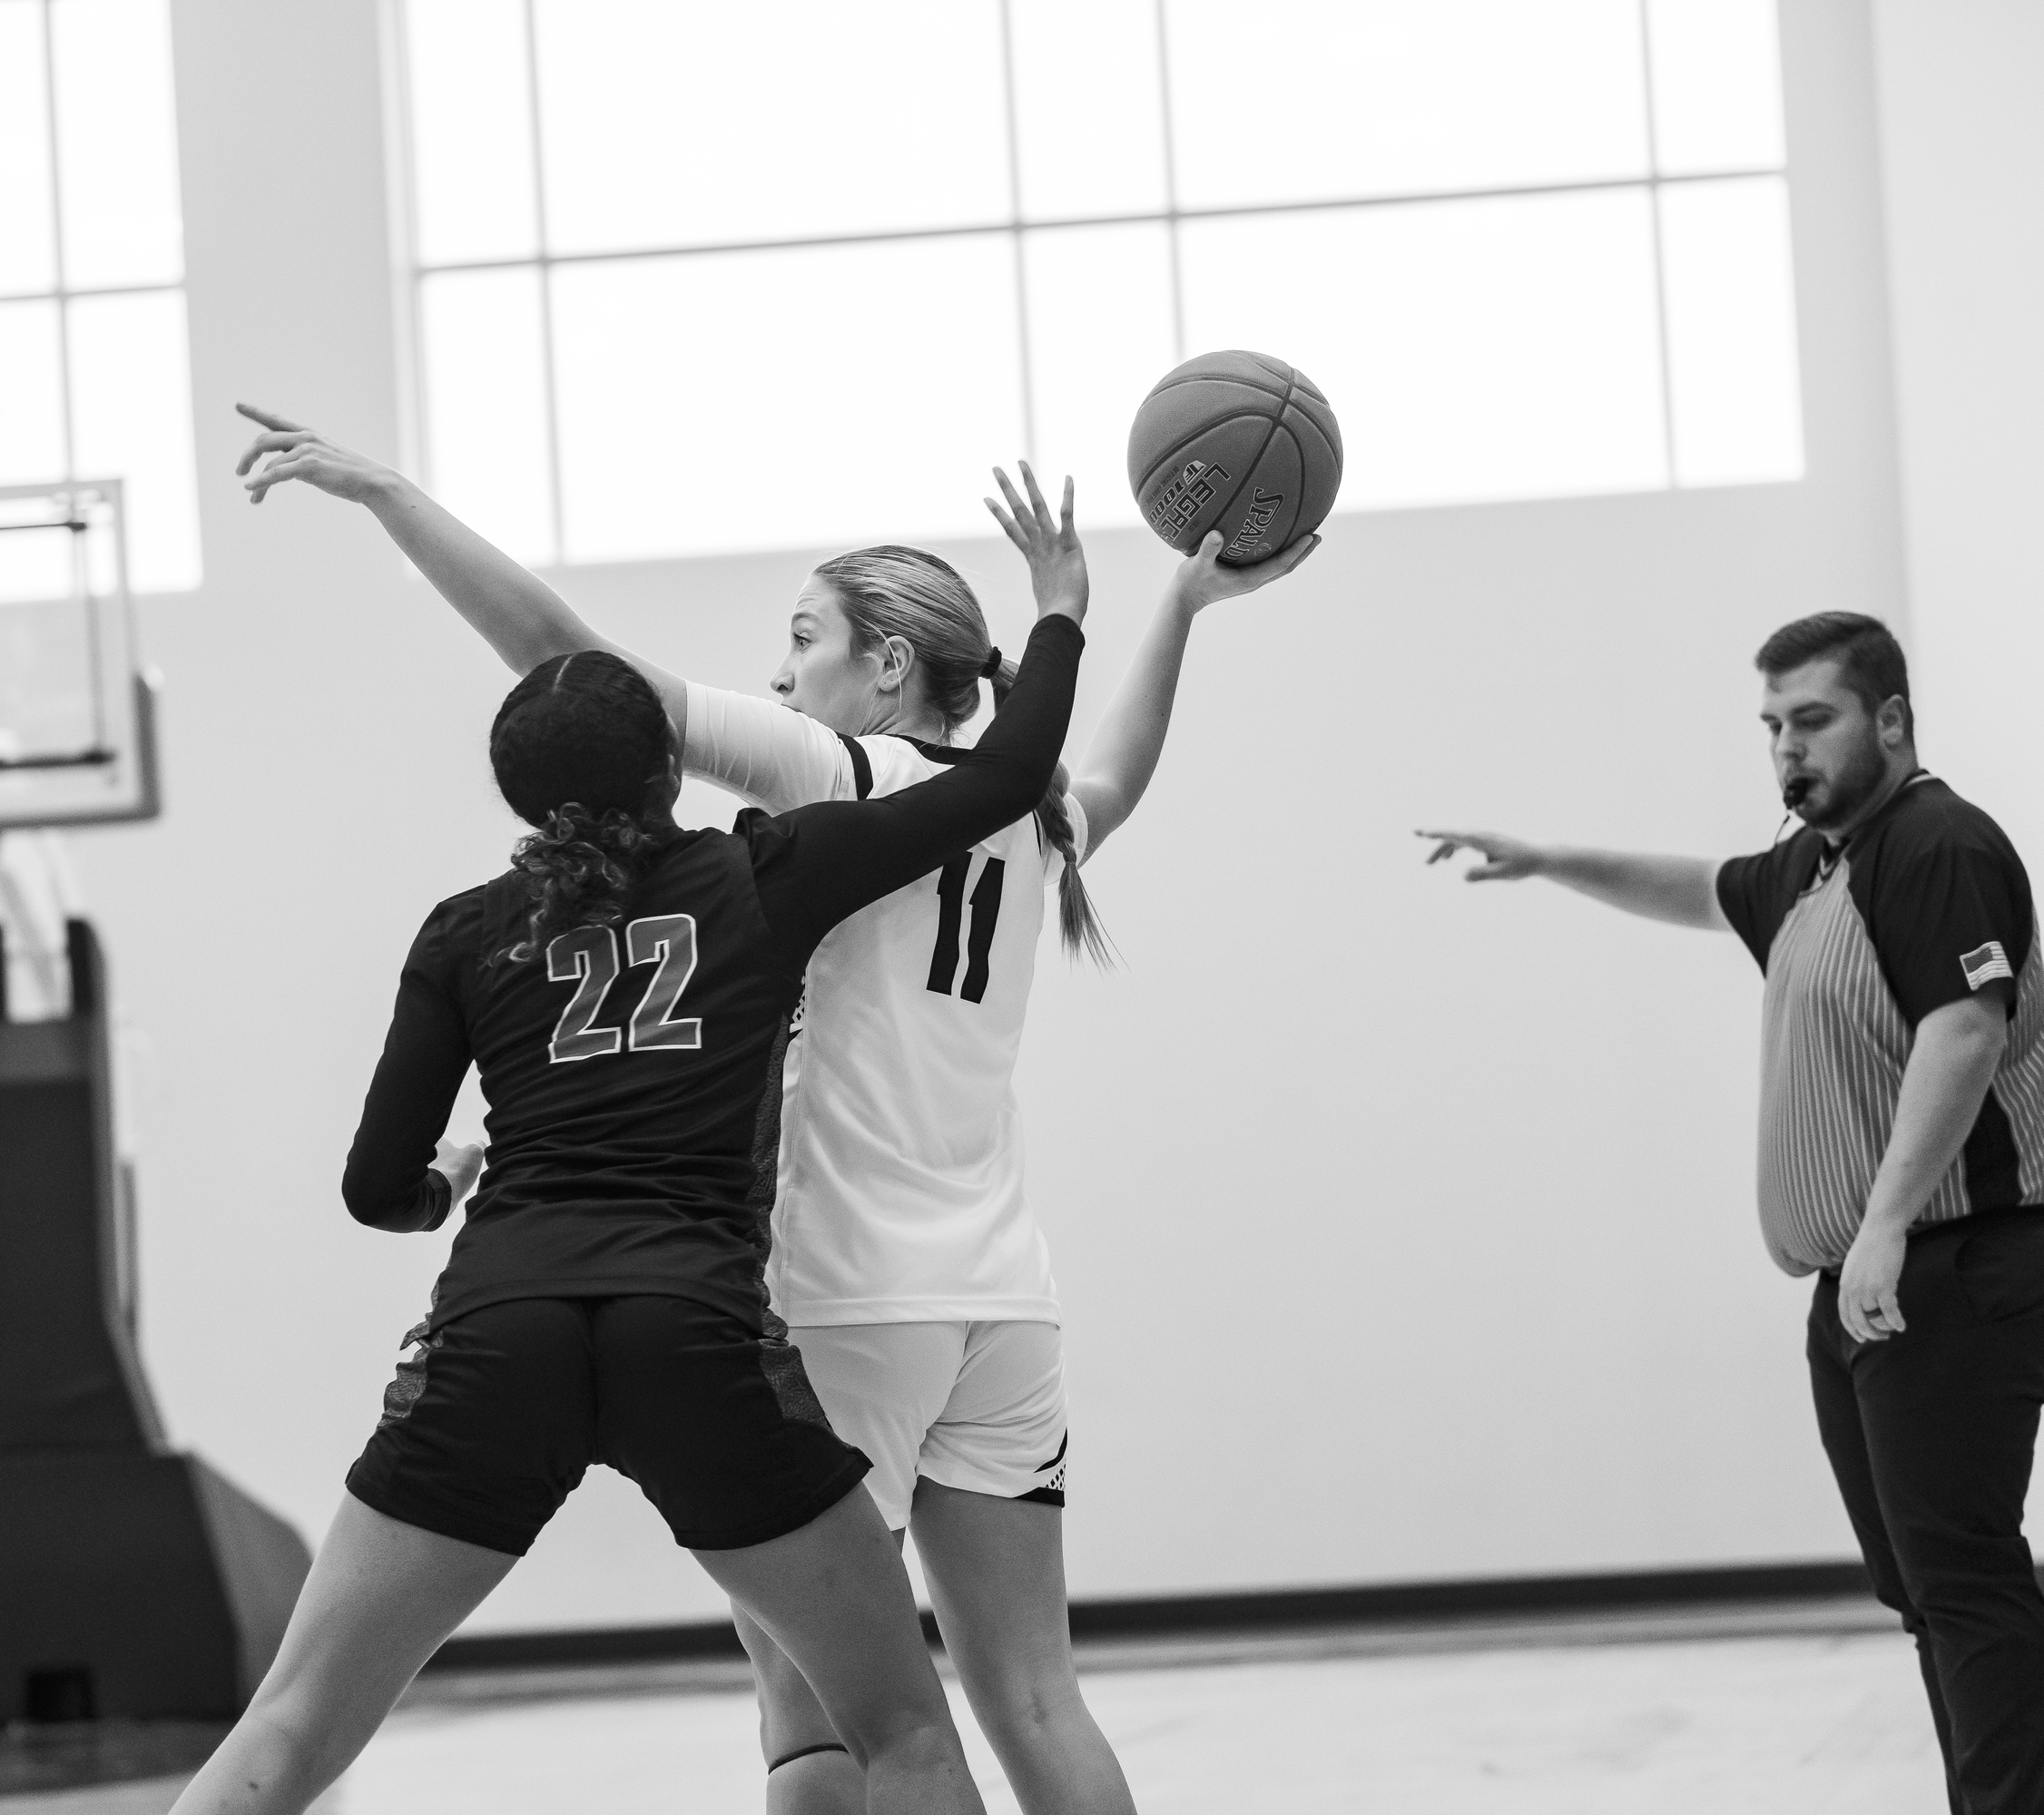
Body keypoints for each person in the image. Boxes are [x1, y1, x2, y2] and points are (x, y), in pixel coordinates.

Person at [234, 403, 1314, 1815]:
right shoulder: (1031, 813)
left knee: (823, 1722)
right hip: (1003, 1302)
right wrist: (1178, 601)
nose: (781, 671)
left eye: (803, 638)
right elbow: (1118, 771)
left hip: (841, 1291)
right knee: (1039, 1703)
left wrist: (392, 497)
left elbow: (576, 673)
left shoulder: (831, 773)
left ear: (884, 663)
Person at [169, 574, 1086, 1815]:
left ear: (518, 793)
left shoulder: (462, 931)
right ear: (673, 767)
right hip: (692, 1335)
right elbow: (1000, 782)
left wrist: (444, 1185)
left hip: (502, 1328)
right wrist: (1061, 613)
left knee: (293, 1719)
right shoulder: (766, 874)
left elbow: (373, 1187)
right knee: (905, 1736)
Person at [1420, 612, 2044, 1815]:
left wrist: (1886, 1223)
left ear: (1893, 720)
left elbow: (1966, 1029)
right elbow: (1703, 890)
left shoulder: (1935, 842)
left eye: (1812, 720)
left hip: (1951, 1269)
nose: (1785, 750)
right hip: (1868, 1287)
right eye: (1771, 727)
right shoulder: (1819, 868)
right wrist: (1547, 857)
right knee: (1928, 1591)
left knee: (1964, 1583)